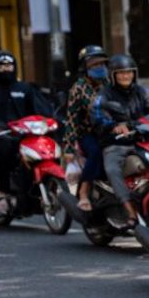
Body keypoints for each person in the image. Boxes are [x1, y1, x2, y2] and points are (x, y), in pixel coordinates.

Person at [91, 53, 149, 228]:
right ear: (113, 75)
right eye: (121, 73)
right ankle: (130, 210)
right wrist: (113, 126)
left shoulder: (142, 91)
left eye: (129, 72)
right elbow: (98, 116)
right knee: (112, 169)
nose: (126, 76)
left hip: (142, 139)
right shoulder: (104, 95)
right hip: (117, 143)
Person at [0, 51, 52, 209]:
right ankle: (3, 190)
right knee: (4, 148)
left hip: (26, 133)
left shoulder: (25, 88)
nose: (6, 70)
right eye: (2, 67)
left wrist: (49, 120)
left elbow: (40, 108)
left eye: (9, 66)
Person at [63, 45, 109, 211]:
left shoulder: (109, 83)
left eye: (102, 63)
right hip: (88, 133)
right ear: (85, 67)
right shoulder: (78, 88)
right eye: (94, 64)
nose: (99, 67)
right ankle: (84, 191)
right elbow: (71, 120)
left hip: (111, 130)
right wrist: (68, 148)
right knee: (96, 151)